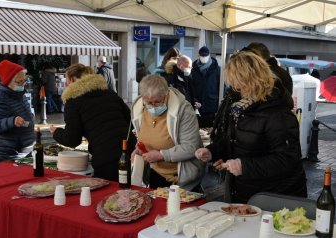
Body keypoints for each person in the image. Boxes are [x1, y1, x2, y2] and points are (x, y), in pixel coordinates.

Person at [195, 51, 307, 203]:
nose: (236, 88)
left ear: (253, 80)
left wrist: (244, 166)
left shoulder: (278, 113)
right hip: (247, 191)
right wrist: (212, 151)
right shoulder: (239, 108)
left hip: (275, 196)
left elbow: (287, 160)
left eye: (239, 83)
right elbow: (235, 140)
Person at [49, 64, 136, 182]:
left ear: (72, 79)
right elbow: (130, 121)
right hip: (130, 152)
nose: (66, 84)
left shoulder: (73, 101)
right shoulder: (110, 94)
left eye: (67, 80)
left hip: (105, 157)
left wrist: (56, 132)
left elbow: (72, 140)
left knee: (110, 194)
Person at [131, 75, 204, 191]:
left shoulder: (183, 110)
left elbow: (191, 147)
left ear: (166, 95)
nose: (153, 106)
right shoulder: (139, 108)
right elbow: (143, 137)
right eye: (149, 102)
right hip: (155, 173)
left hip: (180, 177)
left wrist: (161, 155)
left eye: (157, 102)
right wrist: (138, 150)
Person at [0, 60, 34, 162]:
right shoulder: (0, 99)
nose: (23, 84)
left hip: (25, 151)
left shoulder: (20, 95)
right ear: (8, 81)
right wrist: (12, 121)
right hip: (9, 154)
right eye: (19, 81)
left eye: (24, 80)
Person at [191, 46, 220, 128]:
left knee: (210, 130)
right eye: (202, 56)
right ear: (198, 56)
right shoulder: (193, 70)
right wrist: (194, 100)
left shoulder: (217, 69)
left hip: (212, 106)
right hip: (197, 107)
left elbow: (221, 87)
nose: (204, 57)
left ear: (209, 55)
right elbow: (191, 87)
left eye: (205, 55)